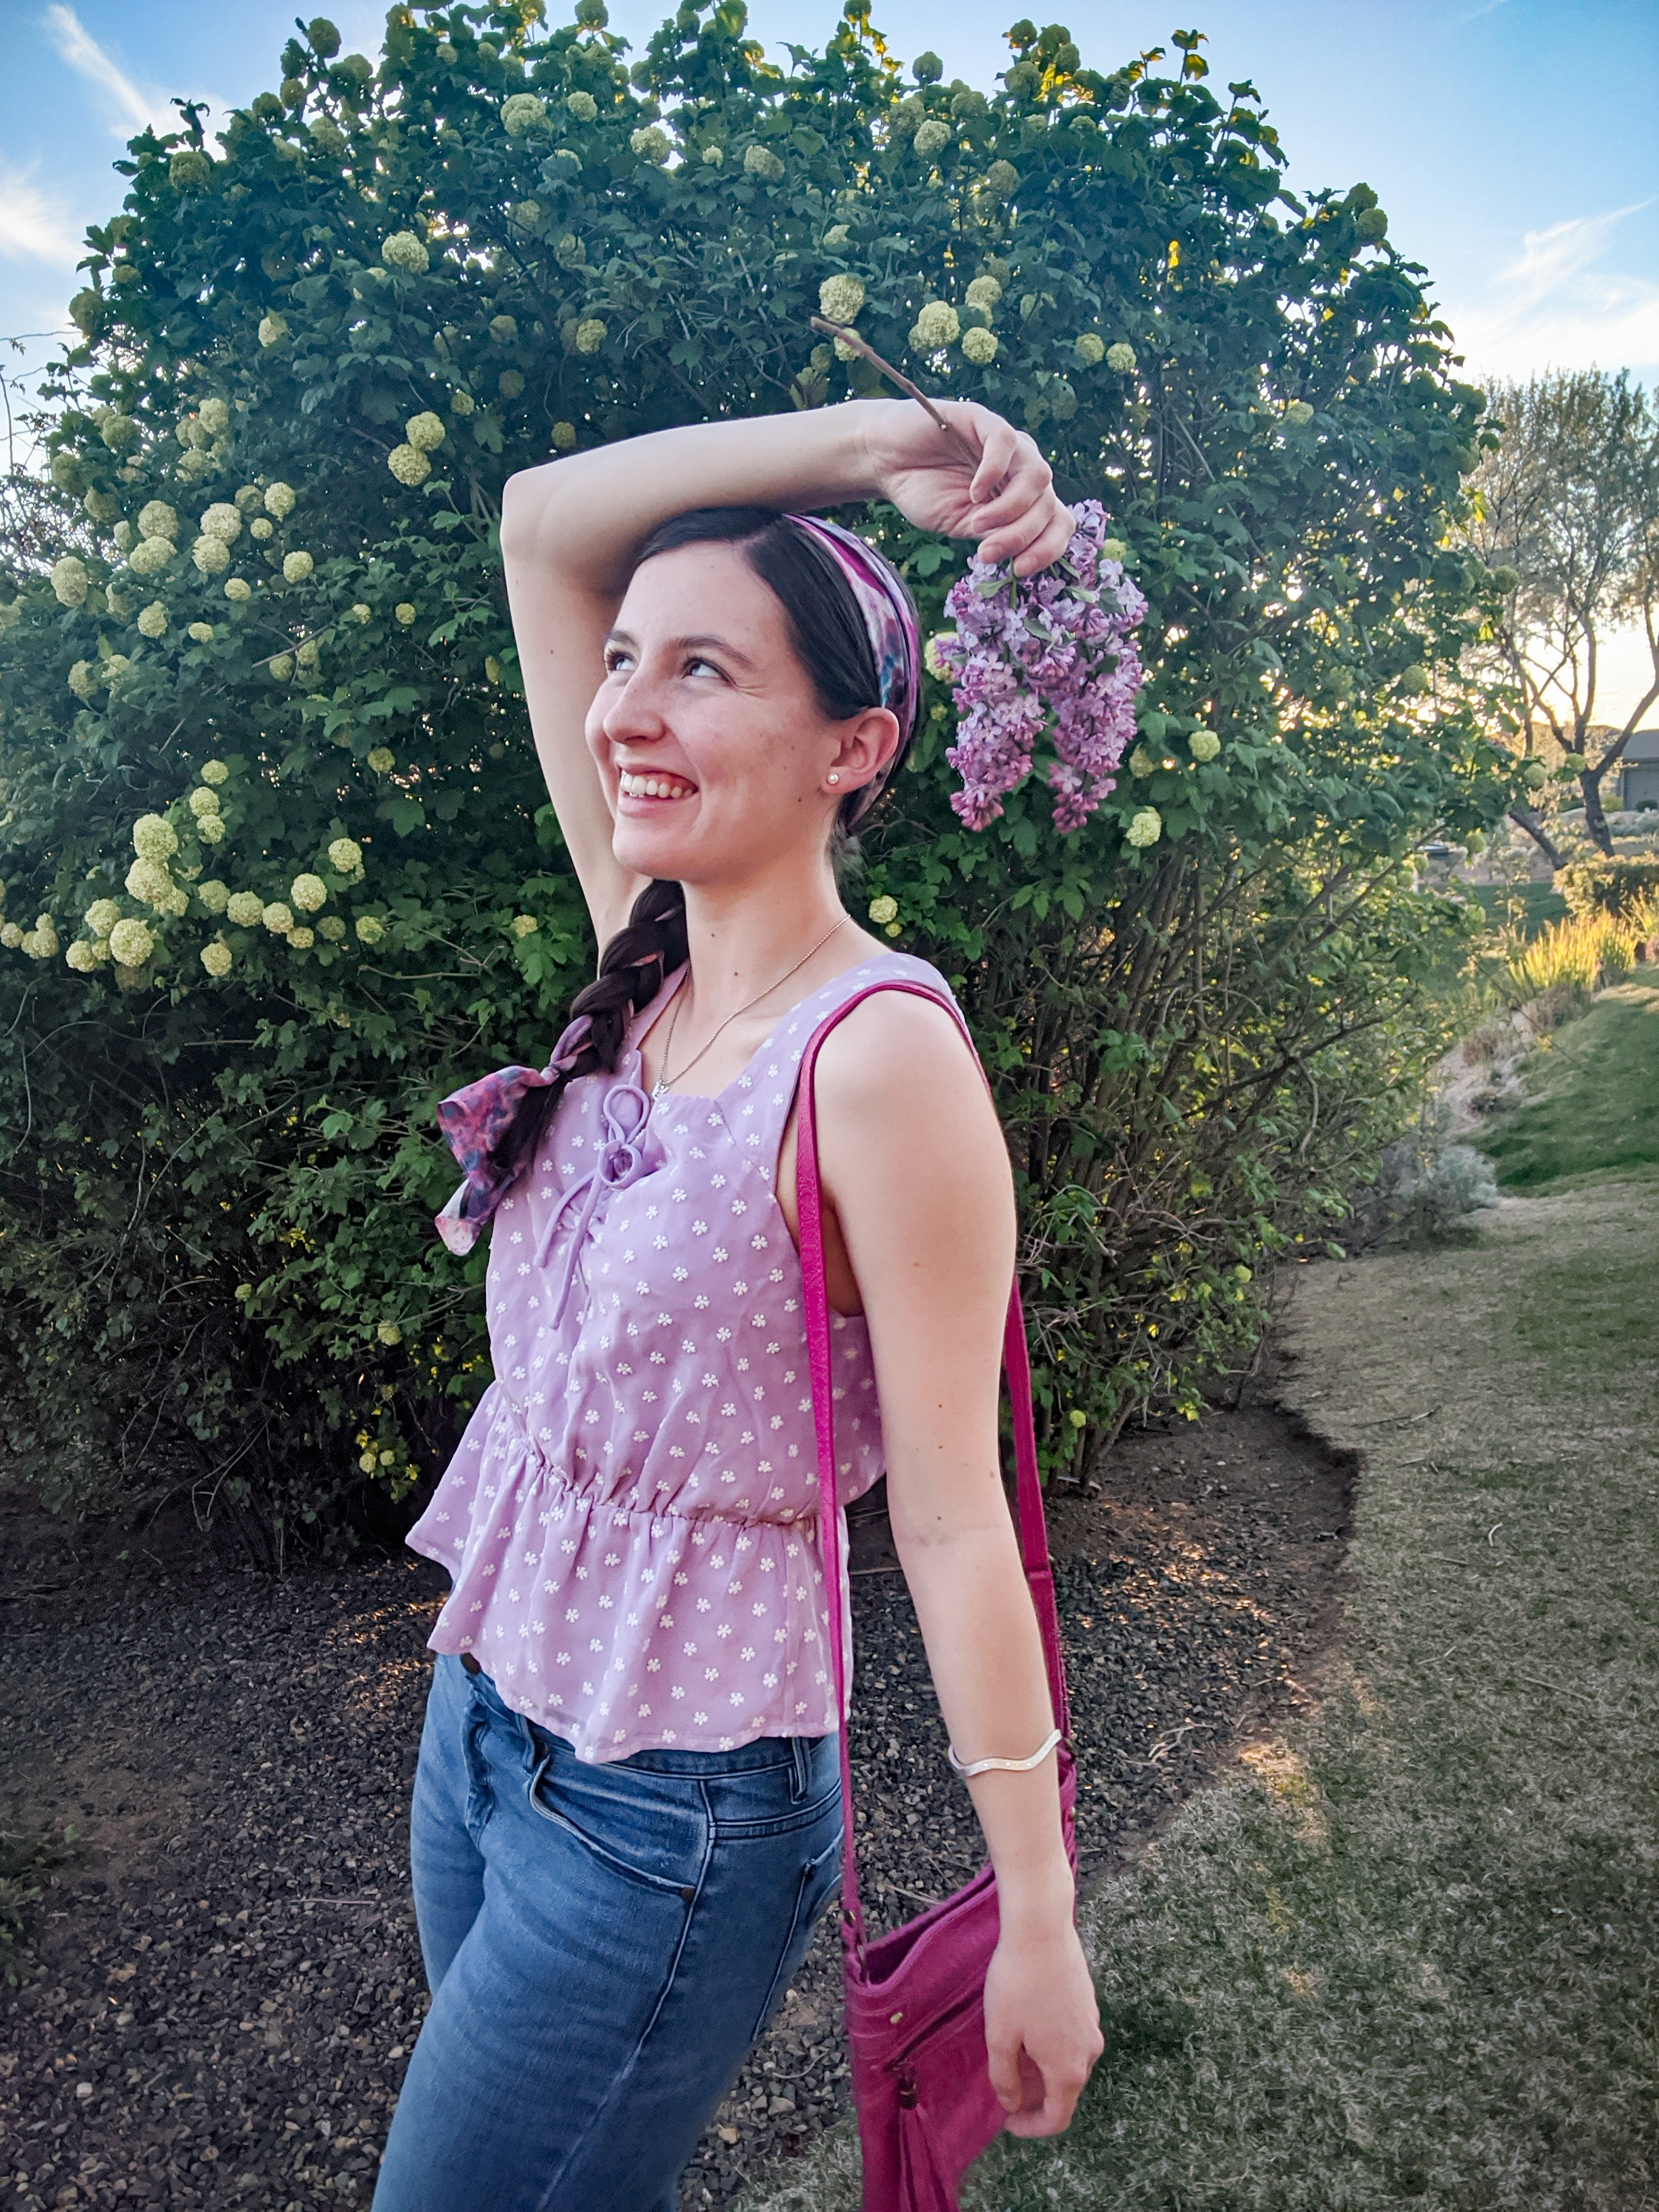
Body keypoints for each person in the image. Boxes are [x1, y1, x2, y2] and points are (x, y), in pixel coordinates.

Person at [372, 397, 1103, 2211]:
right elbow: (545, 521)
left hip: (671, 1814)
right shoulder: (642, 956)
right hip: (483, 1721)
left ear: (853, 744)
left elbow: (950, 1520)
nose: (625, 711)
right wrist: (875, 450)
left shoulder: (878, 1062)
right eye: (625, 663)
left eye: (703, 670)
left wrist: (1037, 1911)